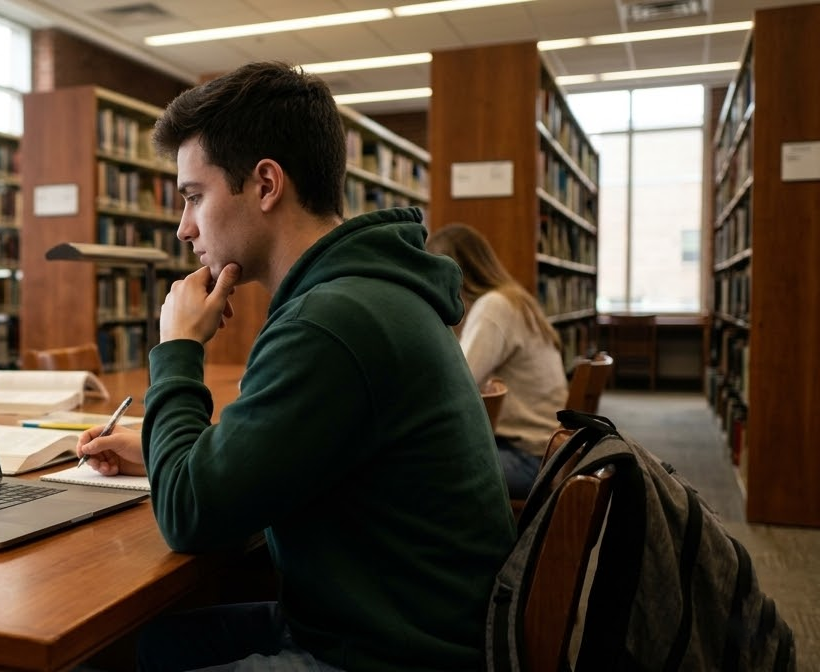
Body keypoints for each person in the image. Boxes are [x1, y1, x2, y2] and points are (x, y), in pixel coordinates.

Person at [75, 62, 514, 672]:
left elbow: (189, 516)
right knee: (143, 644)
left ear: (265, 184)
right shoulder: (364, 295)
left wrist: (177, 350)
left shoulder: (330, 322)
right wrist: (159, 449)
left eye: (195, 198)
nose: (183, 228)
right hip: (390, 621)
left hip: (387, 654)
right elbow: (274, 455)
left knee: (98, 656)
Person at [426, 223, 568, 499]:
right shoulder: (514, 299)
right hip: (546, 450)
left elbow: (455, 382)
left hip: (528, 459)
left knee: (414, 471)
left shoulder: (493, 307)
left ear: (454, 272)